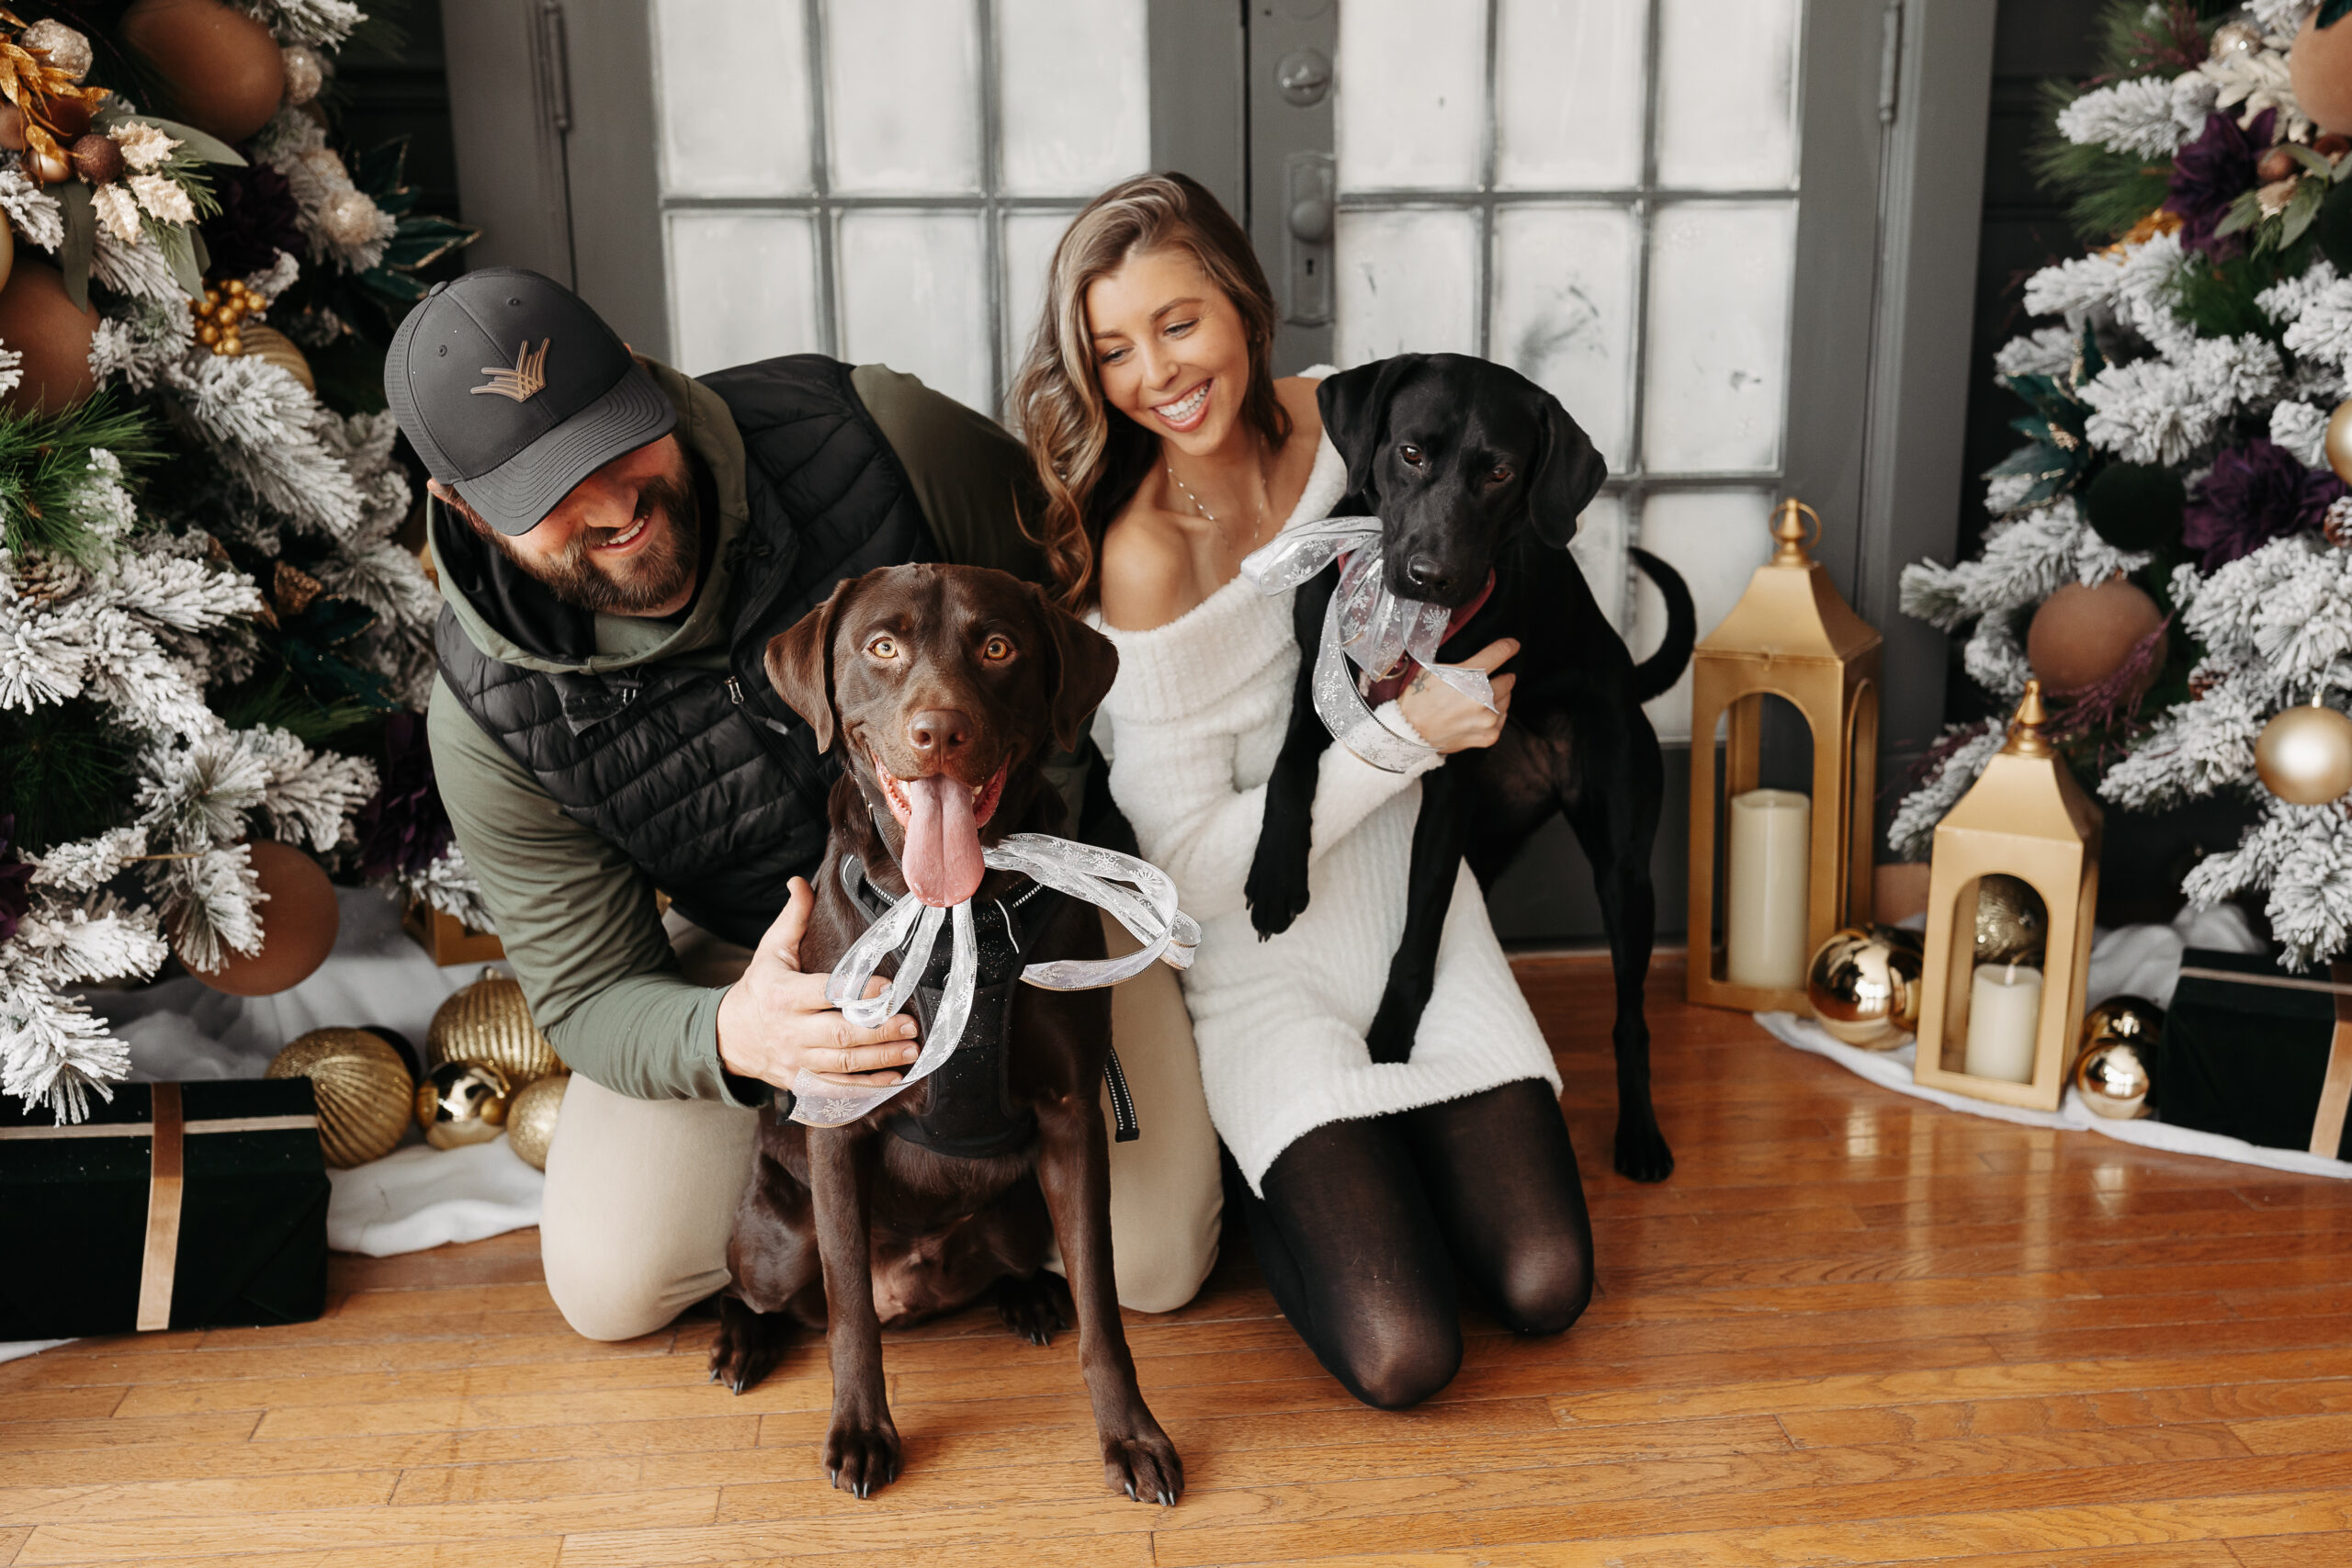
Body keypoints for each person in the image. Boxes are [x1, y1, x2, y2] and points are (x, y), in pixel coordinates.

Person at [389, 266, 1220, 1340]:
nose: (612, 507)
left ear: (641, 376)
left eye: (614, 442)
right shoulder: (487, 715)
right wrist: (736, 1032)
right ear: (464, 510)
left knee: (1158, 1264)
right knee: (612, 1286)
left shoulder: (878, 436)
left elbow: (1080, 587)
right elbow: (590, 994)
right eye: (546, 495)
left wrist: (1039, 815)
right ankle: (817, 1171)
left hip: (1033, 897)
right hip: (757, 950)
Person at [1011, 175, 1594, 1409]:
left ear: (1241, 300)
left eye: (1178, 323)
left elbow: (1504, 474)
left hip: (1421, 924)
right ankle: (1278, 1175)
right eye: (1112, 350)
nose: (1156, 375)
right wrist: (1400, 739)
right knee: (1405, 1350)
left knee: (1546, 1281)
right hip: (1258, 949)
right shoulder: (1141, 552)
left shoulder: (1355, 427)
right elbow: (1194, 874)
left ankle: (1397, 1154)